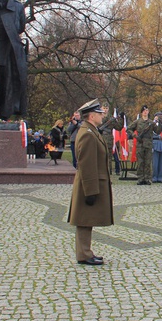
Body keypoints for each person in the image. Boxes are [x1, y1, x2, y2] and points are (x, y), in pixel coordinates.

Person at [67, 99, 114, 266]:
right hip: (89, 183)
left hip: (90, 183)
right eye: (100, 113)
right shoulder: (87, 134)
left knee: (86, 219)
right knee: (84, 220)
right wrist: (91, 190)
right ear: (92, 116)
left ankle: (85, 252)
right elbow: (87, 165)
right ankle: (84, 254)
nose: (102, 116)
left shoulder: (91, 131)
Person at [127, 105, 162, 185]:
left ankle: (147, 178)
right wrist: (135, 136)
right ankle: (140, 178)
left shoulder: (151, 122)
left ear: (148, 111)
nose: (145, 112)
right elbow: (128, 129)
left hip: (148, 144)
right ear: (141, 112)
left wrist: (160, 123)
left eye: (146, 110)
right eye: (144, 111)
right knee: (140, 162)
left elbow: (157, 131)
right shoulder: (138, 122)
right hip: (140, 144)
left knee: (147, 162)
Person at [151, 112, 162, 183]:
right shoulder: (152, 125)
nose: (160, 118)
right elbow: (150, 136)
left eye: (161, 116)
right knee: (155, 163)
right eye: (158, 116)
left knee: (161, 163)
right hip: (155, 144)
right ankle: (154, 177)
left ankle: (160, 178)